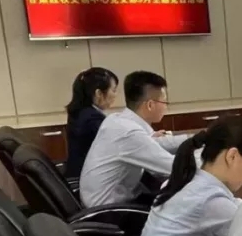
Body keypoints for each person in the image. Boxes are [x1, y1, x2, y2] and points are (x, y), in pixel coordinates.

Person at [80, 71, 188, 207]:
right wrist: (207, 160)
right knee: (181, 206)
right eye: (165, 102)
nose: (166, 107)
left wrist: (193, 139)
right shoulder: (129, 132)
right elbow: (173, 167)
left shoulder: (117, 119)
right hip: (110, 211)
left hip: (108, 201)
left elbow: (155, 144)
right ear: (150, 105)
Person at [64, 67, 117, 179]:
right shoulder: (92, 119)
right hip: (88, 179)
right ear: (99, 93)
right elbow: (116, 145)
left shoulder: (80, 113)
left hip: (77, 174)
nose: (115, 95)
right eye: (113, 90)